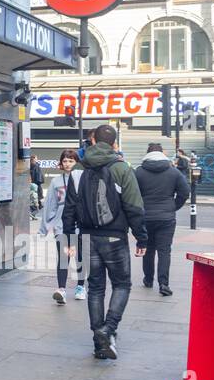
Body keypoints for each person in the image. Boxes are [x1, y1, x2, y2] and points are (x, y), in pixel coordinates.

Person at [63, 124, 147, 361]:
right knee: (122, 285)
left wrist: (68, 237)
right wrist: (141, 237)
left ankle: (99, 343)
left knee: (95, 288)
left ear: (92, 141)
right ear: (113, 144)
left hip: (87, 237)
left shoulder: (78, 171)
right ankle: (107, 329)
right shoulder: (121, 168)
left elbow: (69, 209)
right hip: (115, 238)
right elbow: (134, 206)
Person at [134, 142, 190, 296]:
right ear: (162, 153)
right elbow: (185, 192)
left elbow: (132, 194)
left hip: (145, 216)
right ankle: (164, 283)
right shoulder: (173, 172)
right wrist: (173, 206)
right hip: (166, 217)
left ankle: (148, 279)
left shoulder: (138, 172)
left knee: (148, 248)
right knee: (165, 250)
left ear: (147, 153)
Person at [40, 149, 86, 304]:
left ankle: (80, 287)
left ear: (76, 162)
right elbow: (50, 205)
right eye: (65, 161)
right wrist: (45, 227)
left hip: (81, 224)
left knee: (80, 256)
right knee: (63, 256)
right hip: (61, 224)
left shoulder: (83, 178)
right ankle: (61, 289)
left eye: (71, 161)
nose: (67, 164)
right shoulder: (56, 181)